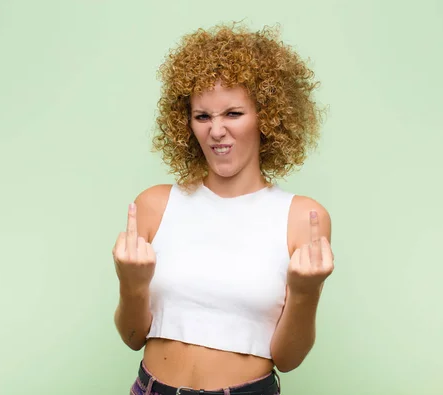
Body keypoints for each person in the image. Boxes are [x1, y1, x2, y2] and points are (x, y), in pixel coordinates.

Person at [112, 23, 334, 395]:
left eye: (233, 113)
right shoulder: (155, 205)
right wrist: (130, 283)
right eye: (203, 116)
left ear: (268, 117)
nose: (216, 131)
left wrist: (305, 291)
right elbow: (133, 337)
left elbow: (289, 359)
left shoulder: (302, 218)